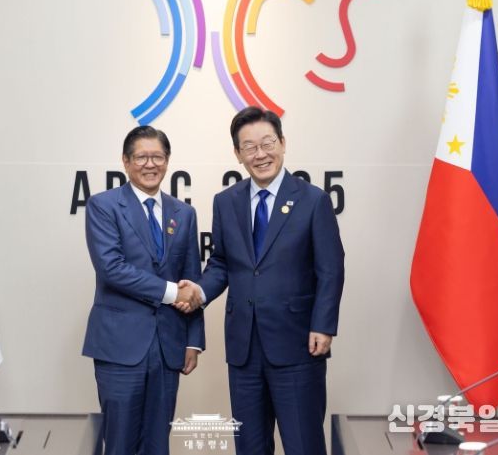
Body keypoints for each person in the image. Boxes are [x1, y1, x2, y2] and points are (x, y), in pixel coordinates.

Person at [176, 107, 344, 455]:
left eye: (268, 143)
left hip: (298, 344)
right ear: (238, 154)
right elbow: (222, 262)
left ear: (282, 143)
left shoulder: (313, 200)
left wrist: (323, 325)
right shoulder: (226, 202)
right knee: (250, 447)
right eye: (249, 147)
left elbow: (331, 268)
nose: (260, 154)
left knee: (303, 445)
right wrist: (200, 291)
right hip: (244, 349)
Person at [82, 125, 205, 455]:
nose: (150, 164)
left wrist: (193, 340)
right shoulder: (104, 206)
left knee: (157, 444)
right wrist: (171, 292)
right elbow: (111, 268)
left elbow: (191, 280)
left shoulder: (184, 214)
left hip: (168, 346)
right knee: (120, 442)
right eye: (141, 157)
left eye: (158, 157)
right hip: (120, 347)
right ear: (125, 161)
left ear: (167, 161)